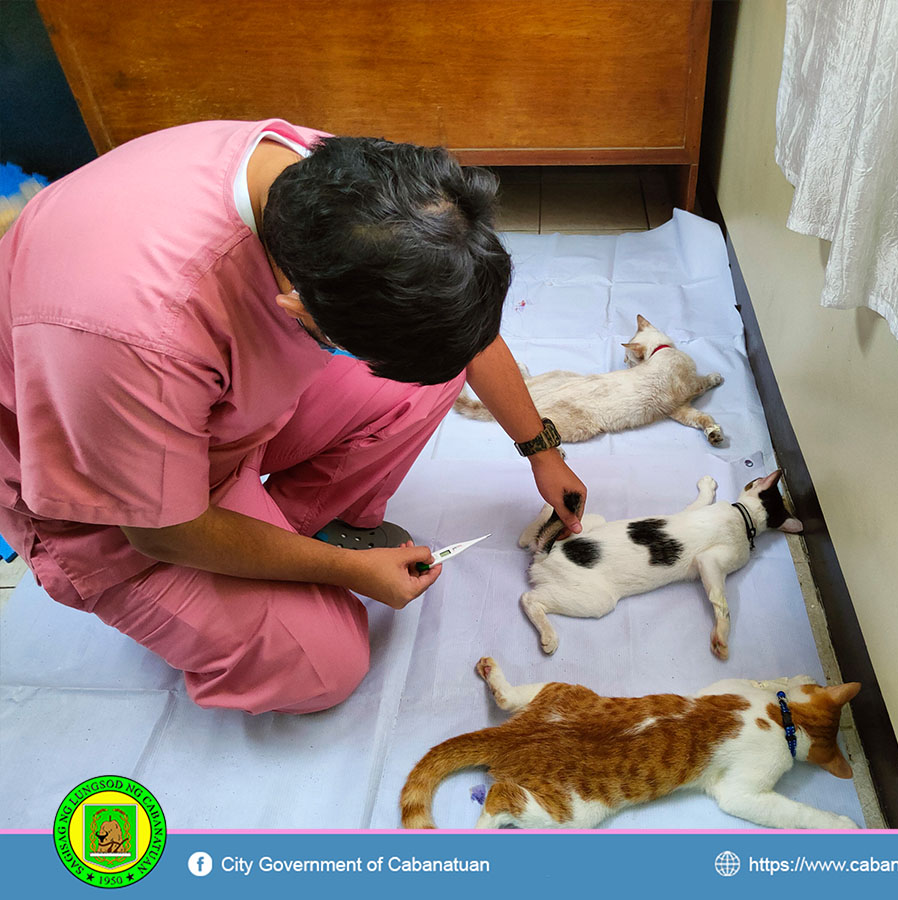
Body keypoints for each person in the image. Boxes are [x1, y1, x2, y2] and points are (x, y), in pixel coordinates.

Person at [0, 118, 586, 714]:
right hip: (121, 498)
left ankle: (286, 535)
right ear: (296, 307)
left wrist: (542, 450)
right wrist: (346, 571)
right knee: (323, 665)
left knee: (425, 382)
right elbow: (162, 530)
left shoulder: (329, 181)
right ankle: (271, 571)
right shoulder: (138, 329)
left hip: (208, 417)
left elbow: (456, 324)